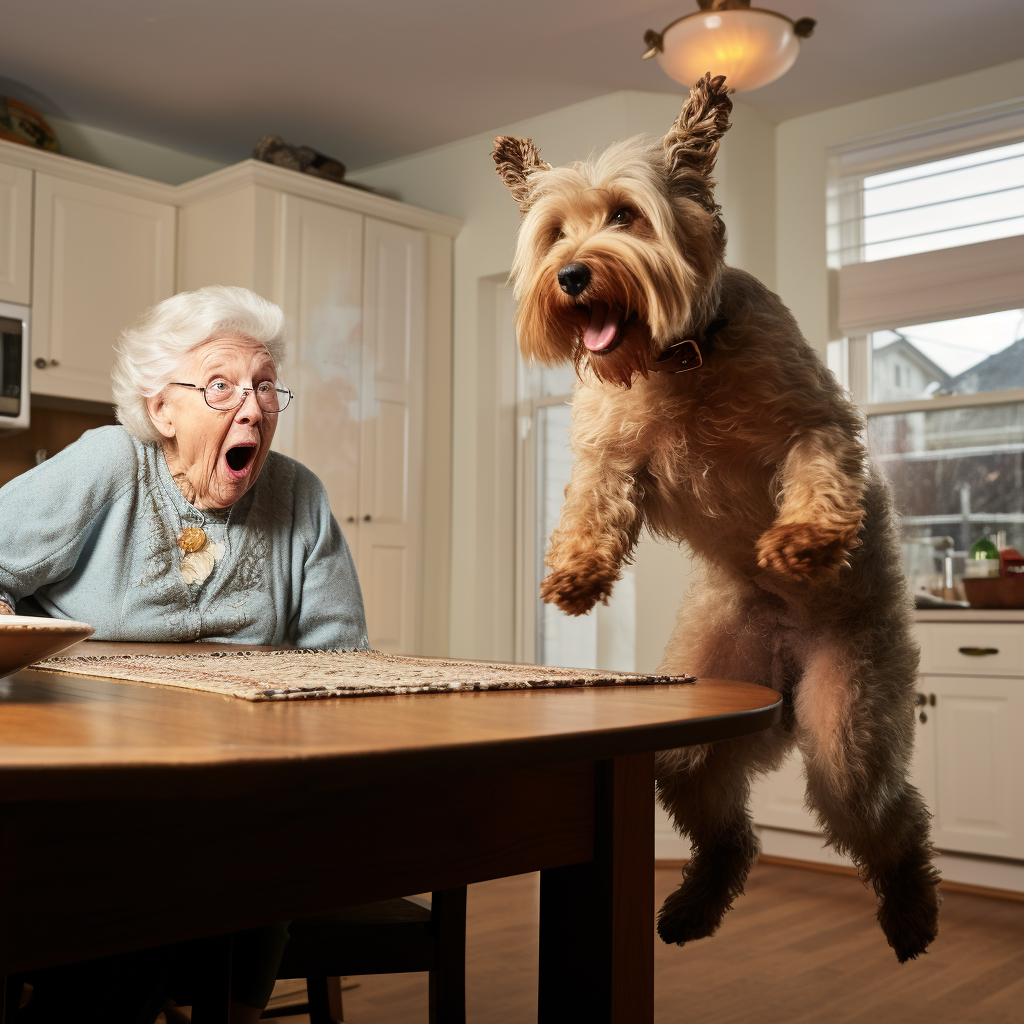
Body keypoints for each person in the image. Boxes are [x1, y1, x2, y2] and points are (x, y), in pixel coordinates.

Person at [0, 285, 369, 1023]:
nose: (254, 407)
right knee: (170, 860)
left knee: (234, 841)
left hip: (237, 779)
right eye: (222, 385)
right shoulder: (111, 463)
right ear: (163, 409)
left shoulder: (299, 496)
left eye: (265, 386)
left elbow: (344, 659)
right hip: (87, 773)